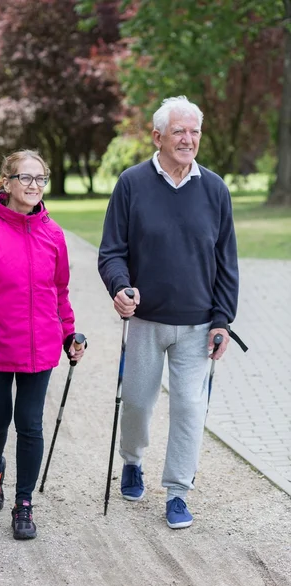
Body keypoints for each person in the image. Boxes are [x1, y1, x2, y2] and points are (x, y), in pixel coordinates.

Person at [98, 96, 239, 529]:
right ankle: (132, 460)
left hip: (197, 326)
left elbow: (226, 262)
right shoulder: (132, 183)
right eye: (179, 131)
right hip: (145, 321)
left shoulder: (214, 188)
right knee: (138, 402)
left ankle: (178, 491)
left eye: (194, 131)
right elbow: (111, 252)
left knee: (189, 410)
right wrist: (121, 288)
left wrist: (222, 320)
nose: (188, 139)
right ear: (158, 136)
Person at [0, 149, 85, 540]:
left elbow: (59, 293)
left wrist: (69, 334)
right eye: (25, 178)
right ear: (7, 183)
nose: (34, 186)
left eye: (40, 179)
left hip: (39, 347)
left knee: (29, 425)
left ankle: (23, 503)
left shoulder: (54, 234)